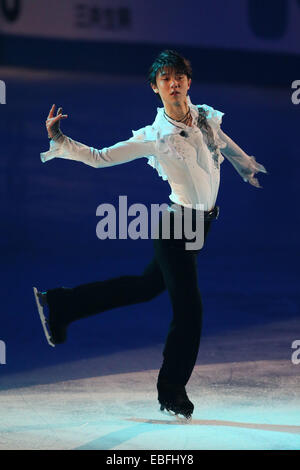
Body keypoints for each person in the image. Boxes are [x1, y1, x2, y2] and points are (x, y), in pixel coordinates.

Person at [34, 50, 267, 419]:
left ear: (188, 82)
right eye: (165, 79)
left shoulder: (205, 116)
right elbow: (99, 156)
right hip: (175, 228)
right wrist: (60, 138)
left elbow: (224, 143)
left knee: (144, 287)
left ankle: (61, 305)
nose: (173, 83)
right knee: (190, 311)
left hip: (200, 228)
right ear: (155, 89)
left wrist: (246, 166)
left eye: (179, 77)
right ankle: (171, 390)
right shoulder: (153, 136)